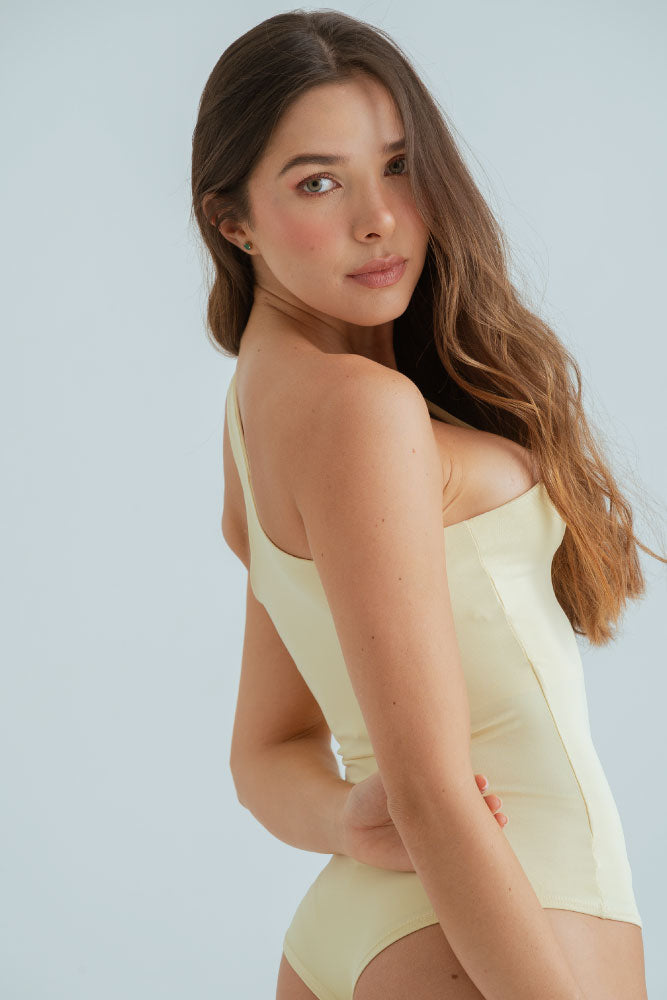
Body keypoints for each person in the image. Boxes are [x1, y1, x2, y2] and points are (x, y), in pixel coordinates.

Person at [190, 10, 663, 999]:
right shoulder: (362, 410)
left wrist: (346, 819)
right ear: (232, 221)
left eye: (399, 165)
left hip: (366, 918)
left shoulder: (258, 410)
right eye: (317, 182)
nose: (379, 217)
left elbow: (265, 750)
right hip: (511, 911)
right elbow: (435, 792)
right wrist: (397, 809)